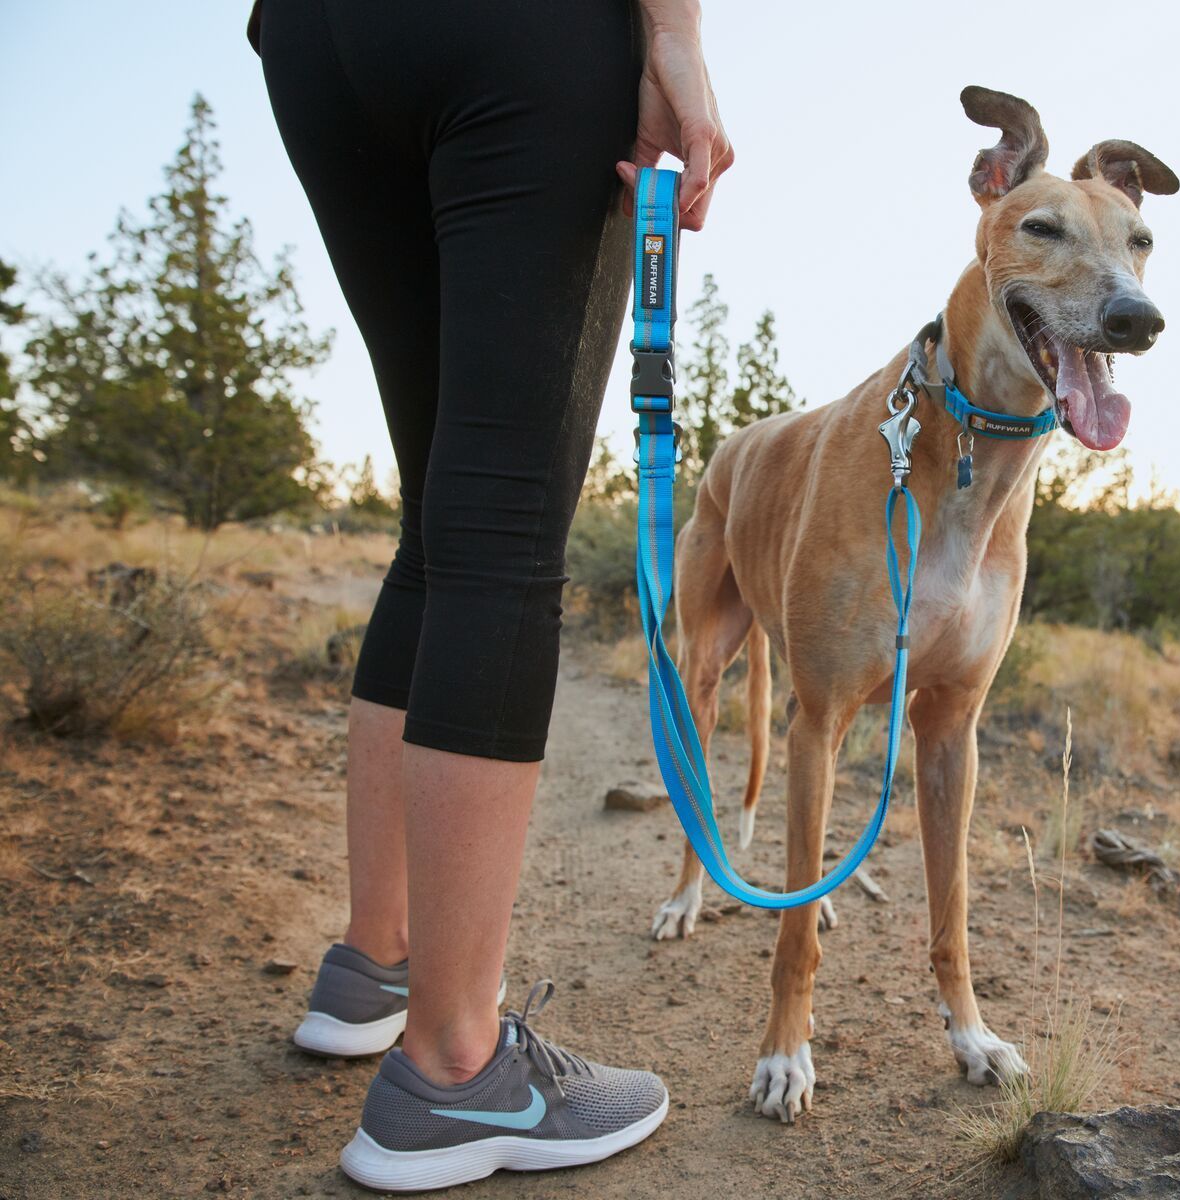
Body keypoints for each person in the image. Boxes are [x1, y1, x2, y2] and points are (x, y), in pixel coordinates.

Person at [252, 0, 732, 1188]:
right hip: (520, 31)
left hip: (316, 40)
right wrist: (676, 38)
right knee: (503, 526)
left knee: (444, 519)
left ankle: (380, 961)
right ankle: (458, 1072)